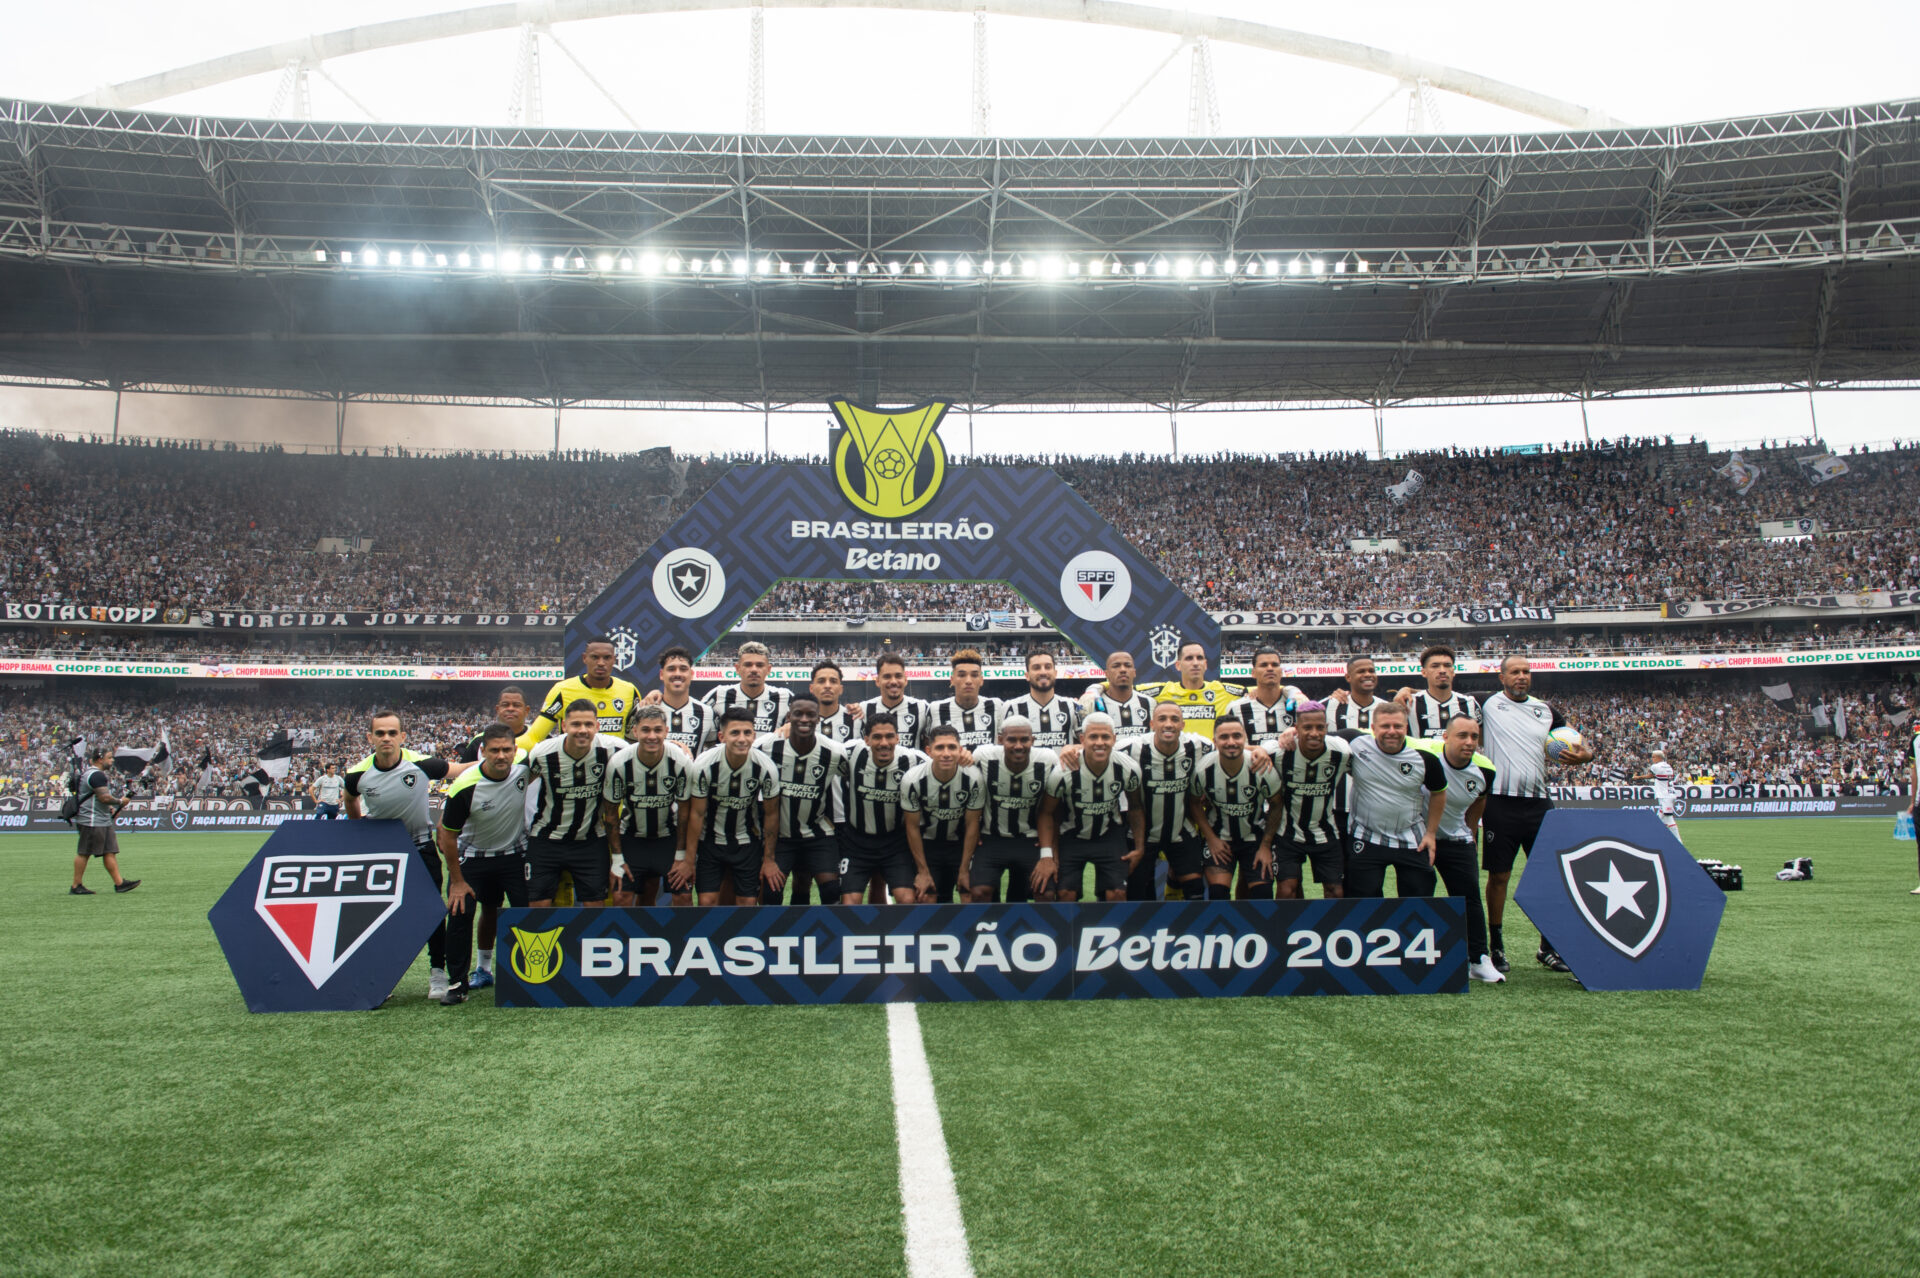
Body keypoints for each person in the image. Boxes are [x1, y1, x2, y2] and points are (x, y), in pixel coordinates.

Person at [1479, 655, 1595, 974]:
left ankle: (1548, 947)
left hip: (1539, 803)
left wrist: (1586, 755)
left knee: (1549, 877)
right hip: (1500, 802)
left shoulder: (1544, 710)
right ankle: (1496, 946)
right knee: (1499, 876)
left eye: (1526, 672)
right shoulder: (1486, 706)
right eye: (1515, 672)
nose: (1522, 677)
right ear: (1501, 677)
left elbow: (1576, 742)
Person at [345, 709, 453, 1000]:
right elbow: (350, 798)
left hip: (421, 847)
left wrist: (448, 817)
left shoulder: (422, 763)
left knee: (433, 913)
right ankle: (383, 976)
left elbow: (463, 772)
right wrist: (358, 831)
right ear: (370, 737)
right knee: (381, 915)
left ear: (403, 737)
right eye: (380, 733)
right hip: (385, 853)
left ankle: (438, 973)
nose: (386, 738)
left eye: (392, 732)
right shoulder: (357, 774)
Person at [438, 723, 531, 1005]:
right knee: (460, 913)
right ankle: (457, 983)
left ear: (515, 751)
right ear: (483, 752)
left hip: (515, 856)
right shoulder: (464, 786)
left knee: (527, 912)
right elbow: (447, 836)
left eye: (506, 750)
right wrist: (456, 881)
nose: (501, 756)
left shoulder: (525, 769)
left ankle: (530, 977)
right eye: (494, 751)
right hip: (474, 859)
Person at [1412, 715, 1505, 984]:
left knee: (1469, 899)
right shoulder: (1424, 752)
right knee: (1420, 894)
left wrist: (1470, 830)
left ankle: (1478, 959)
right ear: (1445, 737)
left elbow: (1479, 801)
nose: (1469, 742)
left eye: (1474, 737)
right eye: (1462, 736)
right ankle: (1422, 956)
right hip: (1421, 838)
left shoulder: (1485, 769)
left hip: (1457, 839)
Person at [453, 684, 534, 984]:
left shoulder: (540, 740)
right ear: (497, 709)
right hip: (482, 840)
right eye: (504, 704)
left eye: (516, 704)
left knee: (529, 907)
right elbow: (463, 774)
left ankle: (526, 969)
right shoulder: (479, 741)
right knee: (489, 908)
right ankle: (483, 967)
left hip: (524, 837)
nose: (510, 709)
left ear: (527, 711)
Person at [1328, 703, 1448, 900]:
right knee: (1363, 901)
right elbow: (1316, 736)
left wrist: (1431, 833)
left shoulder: (1423, 757)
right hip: (1366, 835)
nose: (1391, 731)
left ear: (1405, 728)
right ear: (1373, 728)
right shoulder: (1355, 743)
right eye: (1385, 726)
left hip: (1410, 836)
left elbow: (1439, 791)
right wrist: (1290, 732)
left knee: (1419, 899)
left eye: (1397, 726)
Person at [524, 699, 627, 909]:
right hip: (546, 839)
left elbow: (645, 750)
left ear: (597, 726)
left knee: (595, 906)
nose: (582, 730)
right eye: (576, 724)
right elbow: (516, 785)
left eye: (588, 725)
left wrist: (679, 747)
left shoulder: (613, 749)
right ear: (564, 726)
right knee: (538, 905)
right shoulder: (543, 754)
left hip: (590, 840)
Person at [1040, 713, 1144, 903]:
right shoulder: (1063, 771)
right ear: (1082, 739)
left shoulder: (1128, 768)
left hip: (1108, 834)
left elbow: (1135, 807)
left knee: (1117, 894)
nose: (1099, 742)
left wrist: (1139, 847)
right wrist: (1050, 853)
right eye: (1093, 737)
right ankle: (1070, 932)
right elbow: (1048, 813)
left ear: (1114, 739)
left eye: (1105, 737)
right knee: (1065, 895)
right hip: (1072, 835)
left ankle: (1112, 930)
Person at [754, 694, 847, 906]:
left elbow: (857, 771)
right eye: (798, 714)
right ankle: (774, 936)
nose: (804, 719)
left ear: (818, 719)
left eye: (810, 715)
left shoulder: (834, 752)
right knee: (770, 892)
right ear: (789, 717)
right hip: (780, 837)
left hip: (818, 835)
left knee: (832, 890)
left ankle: (818, 936)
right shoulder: (766, 748)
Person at [684, 707, 782, 907]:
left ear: (754, 735)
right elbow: (697, 813)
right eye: (735, 733)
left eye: (747, 733)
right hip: (710, 841)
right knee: (706, 902)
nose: (742, 739)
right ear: (721, 736)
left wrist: (769, 859)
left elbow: (772, 814)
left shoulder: (765, 767)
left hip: (747, 842)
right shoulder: (704, 765)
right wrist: (688, 860)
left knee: (747, 903)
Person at [602, 704, 694, 909]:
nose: (652, 736)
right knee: (621, 898)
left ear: (666, 731)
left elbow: (685, 812)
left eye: (657, 730)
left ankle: (678, 940)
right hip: (632, 840)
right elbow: (610, 814)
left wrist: (682, 856)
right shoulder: (619, 763)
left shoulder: (680, 761)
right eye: (645, 730)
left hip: (668, 840)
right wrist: (617, 858)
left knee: (684, 898)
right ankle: (626, 940)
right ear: (635, 731)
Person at [837, 714, 933, 904]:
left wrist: (964, 758)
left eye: (889, 736)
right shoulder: (850, 752)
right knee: (850, 902)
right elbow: (818, 747)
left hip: (895, 843)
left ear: (898, 738)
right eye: (877, 737)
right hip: (856, 842)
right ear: (866, 739)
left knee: (906, 899)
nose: (884, 743)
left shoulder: (914, 759)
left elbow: (944, 767)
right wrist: (786, 730)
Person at [963, 716, 1058, 903]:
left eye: (1024, 739)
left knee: (1045, 892)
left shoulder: (1048, 760)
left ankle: (1035, 931)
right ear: (1000, 740)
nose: (1018, 746)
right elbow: (964, 787)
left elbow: (1054, 809)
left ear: (1033, 740)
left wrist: (1049, 854)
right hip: (992, 838)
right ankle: (986, 930)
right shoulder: (983, 756)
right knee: (979, 892)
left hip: (1030, 839)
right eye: (1011, 740)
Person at [1268, 701, 1350, 900]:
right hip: (1287, 833)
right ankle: (1286, 930)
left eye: (1319, 727)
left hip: (1325, 832)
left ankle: (1333, 930)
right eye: (1307, 727)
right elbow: (1251, 750)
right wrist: (1260, 751)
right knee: (1287, 890)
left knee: (1336, 891)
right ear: (1296, 729)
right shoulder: (1279, 752)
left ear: (1327, 729)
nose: (1314, 733)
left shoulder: (1341, 752)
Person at [901, 724, 984, 903]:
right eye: (940, 748)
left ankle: (968, 931)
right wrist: (923, 872)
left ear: (960, 750)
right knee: (926, 896)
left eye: (952, 747)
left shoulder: (973, 778)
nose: (946, 753)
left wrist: (963, 871)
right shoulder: (913, 779)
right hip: (927, 845)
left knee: (969, 892)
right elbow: (912, 827)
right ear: (929, 751)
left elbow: (972, 824)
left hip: (960, 845)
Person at [519, 636, 641, 749]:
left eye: (607, 658)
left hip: (614, 768)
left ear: (614, 660)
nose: (601, 663)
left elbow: (637, 738)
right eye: (595, 657)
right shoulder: (562, 690)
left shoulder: (630, 691)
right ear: (584, 658)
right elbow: (534, 736)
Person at [1134, 641, 1244, 741]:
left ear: (1205, 665)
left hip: (1211, 758)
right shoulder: (1163, 691)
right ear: (1178, 665)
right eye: (1189, 658)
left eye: (1199, 658)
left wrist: (1253, 693)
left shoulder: (1223, 691)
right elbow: (1128, 690)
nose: (1195, 663)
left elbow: (1256, 691)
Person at [69, 745, 139, 896]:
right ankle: (76, 885)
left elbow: (97, 798)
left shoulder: (89, 773)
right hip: (91, 820)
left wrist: (108, 809)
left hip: (100, 819)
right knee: (84, 852)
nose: (112, 761)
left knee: (109, 851)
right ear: (100, 759)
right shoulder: (96, 775)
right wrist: (120, 802)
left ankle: (119, 883)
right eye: (109, 758)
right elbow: (104, 797)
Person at [702, 640, 792, 734]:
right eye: (748, 665)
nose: (754, 669)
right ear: (737, 668)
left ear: (768, 669)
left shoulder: (785, 697)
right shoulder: (717, 695)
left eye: (760, 665)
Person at [1225, 647, 1307, 749]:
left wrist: (1296, 731)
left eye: (1275, 665)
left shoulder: (1298, 704)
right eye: (1263, 665)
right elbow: (1228, 746)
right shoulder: (1235, 708)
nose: (1270, 668)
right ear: (1253, 673)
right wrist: (1261, 751)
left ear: (1281, 672)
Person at [1000, 649, 1080, 750]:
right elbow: (999, 746)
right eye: (1036, 668)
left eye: (1048, 667)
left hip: (1061, 766)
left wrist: (1076, 748)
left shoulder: (1072, 706)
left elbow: (1089, 743)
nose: (1043, 672)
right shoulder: (1011, 707)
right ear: (1027, 676)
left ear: (1055, 673)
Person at [1397, 645, 1483, 739]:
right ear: (1424, 672)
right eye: (1435, 666)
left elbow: (1479, 740)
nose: (1442, 670)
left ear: (1453, 671)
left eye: (1447, 665)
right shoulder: (1410, 703)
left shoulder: (1470, 703)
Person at [924, 649, 1000, 748]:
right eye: (962, 675)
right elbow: (926, 745)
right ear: (952, 680)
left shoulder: (997, 706)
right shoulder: (935, 709)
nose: (968, 681)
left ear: (981, 680)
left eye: (974, 675)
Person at [1079, 650, 1156, 742]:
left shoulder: (1149, 702)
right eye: (1116, 666)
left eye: (1128, 665)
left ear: (1134, 672)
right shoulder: (1094, 703)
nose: (1123, 670)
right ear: (1106, 674)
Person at [652, 647, 717, 755]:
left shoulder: (707, 712)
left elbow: (711, 749)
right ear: (661, 674)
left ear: (691, 674)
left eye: (683, 669)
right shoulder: (646, 709)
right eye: (671, 669)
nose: (677, 674)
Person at [857, 653, 928, 748]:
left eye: (898, 676)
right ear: (877, 681)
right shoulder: (863, 710)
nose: (894, 681)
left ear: (905, 680)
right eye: (887, 677)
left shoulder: (922, 708)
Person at [1632, 749, 1683, 842]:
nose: (1652, 759)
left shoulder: (1656, 766)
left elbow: (1650, 776)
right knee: (1660, 818)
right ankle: (1653, 837)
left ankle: (1679, 842)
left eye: (1653, 757)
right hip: (1671, 793)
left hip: (1665, 796)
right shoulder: (1668, 766)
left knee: (1669, 819)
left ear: (1659, 757)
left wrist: (1638, 777)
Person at [1326, 656, 1386, 732]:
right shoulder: (1329, 707)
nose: (1368, 674)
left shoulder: (1386, 708)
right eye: (1361, 671)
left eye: (1371, 671)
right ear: (1348, 677)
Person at [808, 660, 861, 744]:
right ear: (811, 688)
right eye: (821, 681)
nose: (827, 686)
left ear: (841, 689)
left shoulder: (856, 720)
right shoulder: (800, 722)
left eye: (833, 681)